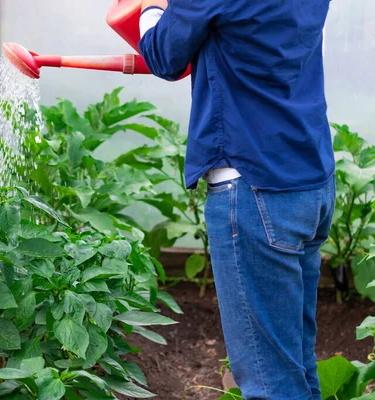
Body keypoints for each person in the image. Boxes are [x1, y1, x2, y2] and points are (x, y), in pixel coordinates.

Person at [139, 0, 335, 399]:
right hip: (309, 180)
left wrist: (151, 10)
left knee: (271, 383)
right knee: (295, 365)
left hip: (253, 188)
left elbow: (163, 54)